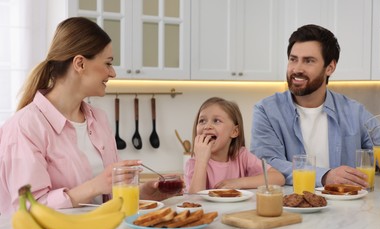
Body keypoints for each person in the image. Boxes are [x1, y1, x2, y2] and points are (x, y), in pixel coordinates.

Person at [0, 17, 173, 216]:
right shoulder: (25, 127)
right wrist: (95, 186)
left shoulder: (98, 119)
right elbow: (29, 210)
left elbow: (110, 197)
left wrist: (145, 193)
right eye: (108, 63)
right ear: (80, 64)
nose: (113, 73)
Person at [250, 24, 373, 188]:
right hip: (291, 207)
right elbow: (267, 163)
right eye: (293, 59)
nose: (297, 69)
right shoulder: (266, 110)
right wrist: (324, 176)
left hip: (347, 205)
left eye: (308, 61)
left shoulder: (354, 111)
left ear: (330, 67)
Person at [184, 97, 285, 193]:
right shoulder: (194, 163)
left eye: (216, 121)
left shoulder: (241, 155)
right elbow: (194, 202)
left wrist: (238, 182)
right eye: (202, 121)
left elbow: (278, 178)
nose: (207, 126)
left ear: (234, 131)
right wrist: (201, 161)